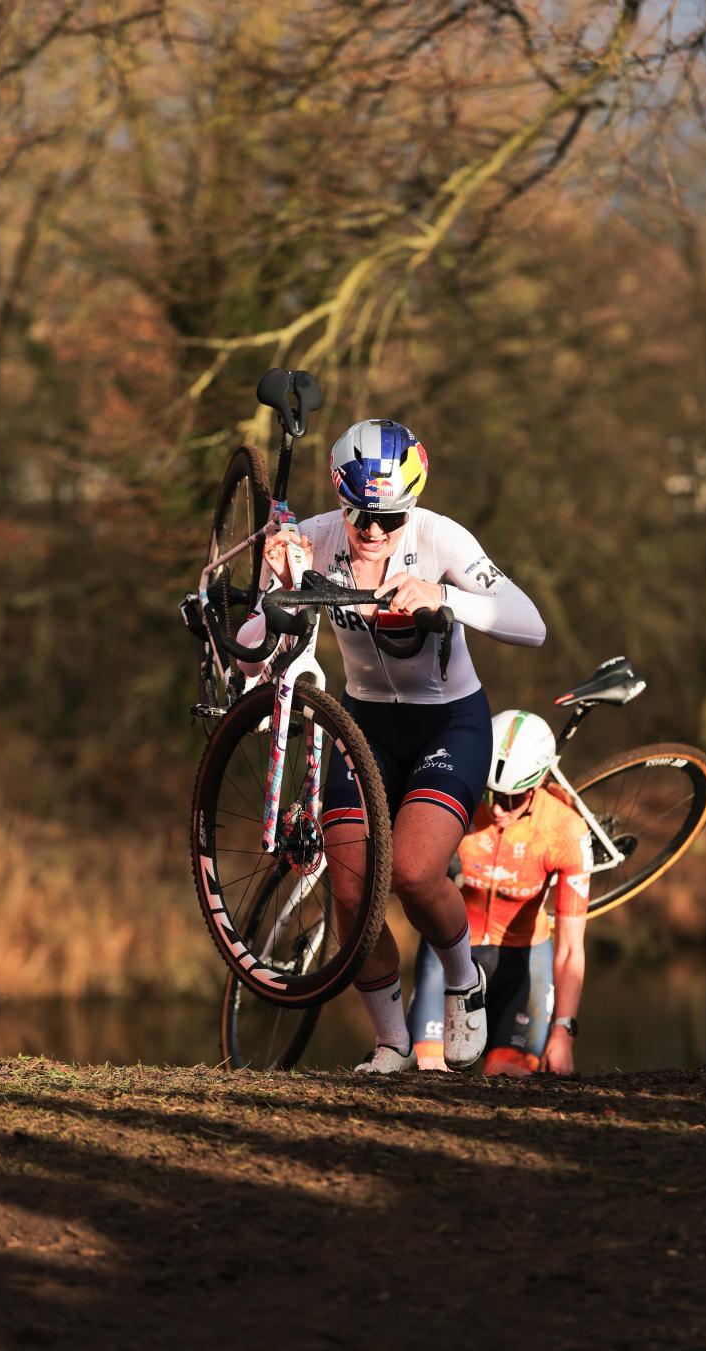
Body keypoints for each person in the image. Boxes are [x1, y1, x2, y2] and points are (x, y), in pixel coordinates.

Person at [250, 418, 545, 1073]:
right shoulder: (316, 541)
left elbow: (532, 624)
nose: (377, 533)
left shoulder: (441, 537)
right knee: (352, 893)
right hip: (365, 725)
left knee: (413, 871)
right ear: (339, 497)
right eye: (362, 517)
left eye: (392, 518)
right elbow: (253, 653)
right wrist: (272, 588)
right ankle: (392, 1044)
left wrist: (444, 596)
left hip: (449, 724)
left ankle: (465, 981)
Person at [407, 709, 592, 1077]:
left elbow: (571, 947)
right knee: (429, 1074)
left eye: (511, 799)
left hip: (524, 963)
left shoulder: (565, 830)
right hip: (447, 952)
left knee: (508, 1082)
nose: (496, 807)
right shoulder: (457, 802)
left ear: (537, 785)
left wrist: (564, 1031)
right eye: (490, 792)